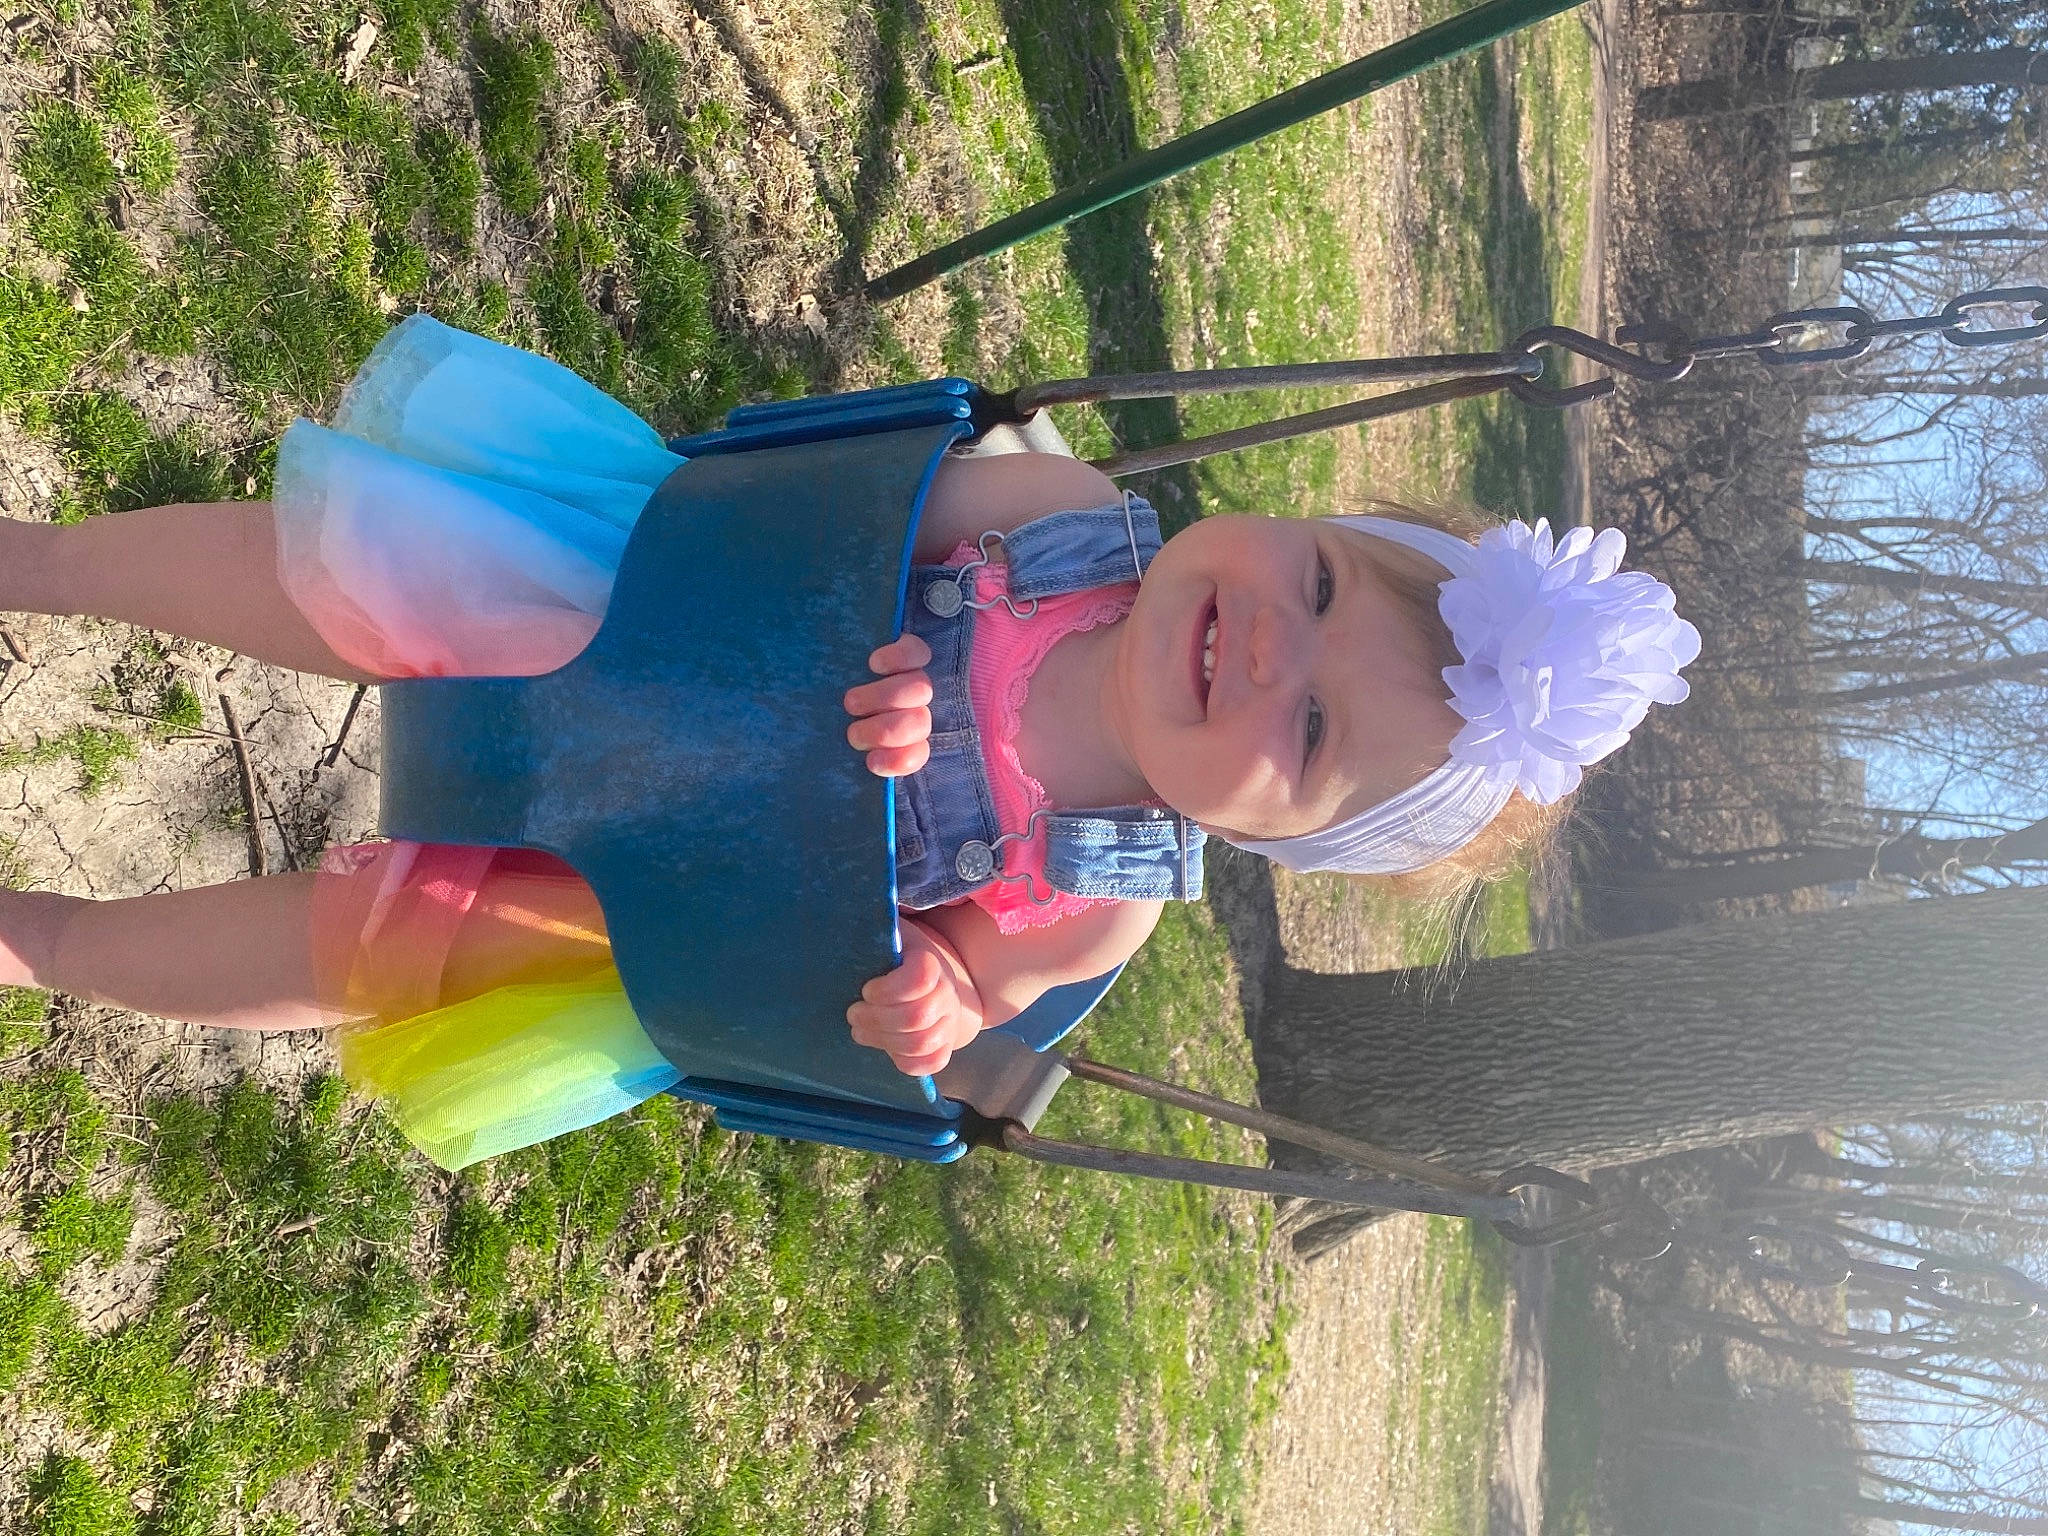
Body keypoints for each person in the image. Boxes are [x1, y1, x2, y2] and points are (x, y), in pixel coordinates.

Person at [0, 316, 1699, 1169]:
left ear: (1276, 837)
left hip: (647, 885)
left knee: (352, 955)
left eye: (1311, 725)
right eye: (1317, 581)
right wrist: (878, 646)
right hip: (631, 601)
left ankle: (48, 943)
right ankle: (47, 567)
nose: (1267, 645)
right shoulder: (1062, 520)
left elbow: (945, 985)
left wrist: (939, 992)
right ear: (1297, 524)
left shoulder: (1096, 901)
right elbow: (838, 521)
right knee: (350, 573)